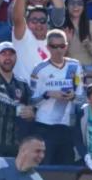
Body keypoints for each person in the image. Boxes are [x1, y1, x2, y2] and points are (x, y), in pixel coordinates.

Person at [31, 30, 85, 164]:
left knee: (66, 169)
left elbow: (81, 98)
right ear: (47, 47)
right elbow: (31, 101)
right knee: (45, 167)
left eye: (62, 46)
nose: (58, 50)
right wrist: (48, 94)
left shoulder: (75, 66)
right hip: (44, 125)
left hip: (67, 126)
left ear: (66, 46)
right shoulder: (39, 68)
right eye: (54, 46)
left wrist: (72, 97)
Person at [0, 41, 35, 159]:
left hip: (14, 142)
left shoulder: (22, 83)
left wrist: (31, 113)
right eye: (3, 54)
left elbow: (31, 109)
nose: (8, 58)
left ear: (16, 57)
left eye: (11, 54)